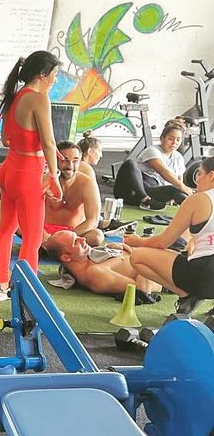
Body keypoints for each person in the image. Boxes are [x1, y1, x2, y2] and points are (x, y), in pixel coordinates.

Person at [0, 50, 62, 301]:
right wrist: (54, 175)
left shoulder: (15, 95)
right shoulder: (40, 99)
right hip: (28, 175)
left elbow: (6, 139)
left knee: (5, 231)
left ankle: (1, 287)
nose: (55, 79)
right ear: (42, 74)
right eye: (54, 74)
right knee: (32, 239)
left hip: (9, 170)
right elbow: (49, 143)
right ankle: (26, 295)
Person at [124, 155, 214, 314]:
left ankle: (186, 295)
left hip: (204, 274)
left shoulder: (198, 199)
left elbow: (163, 242)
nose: (196, 180)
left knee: (137, 256)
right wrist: (193, 241)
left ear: (211, 175)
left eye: (199, 174)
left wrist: (138, 241)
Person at [44, 229, 161, 300]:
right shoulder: (95, 274)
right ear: (66, 257)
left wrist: (112, 248)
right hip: (159, 269)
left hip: (150, 257)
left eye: (78, 236)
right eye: (76, 242)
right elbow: (141, 290)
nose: (83, 239)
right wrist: (142, 254)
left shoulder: (89, 259)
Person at [113, 120, 192, 209]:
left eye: (178, 140)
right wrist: (182, 186)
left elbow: (179, 180)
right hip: (132, 191)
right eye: (170, 138)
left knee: (178, 191)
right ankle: (145, 200)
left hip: (152, 192)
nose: (174, 142)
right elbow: (162, 170)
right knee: (130, 163)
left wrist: (183, 190)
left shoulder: (178, 157)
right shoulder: (152, 150)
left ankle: (194, 210)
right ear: (162, 138)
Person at [43, 141, 104, 247]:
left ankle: (54, 247)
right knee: (17, 225)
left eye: (75, 161)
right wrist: (44, 235)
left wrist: (69, 237)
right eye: (65, 160)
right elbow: (25, 213)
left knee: (97, 236)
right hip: (45, 232)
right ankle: (54, 246)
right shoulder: (44, 180)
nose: (70, 165)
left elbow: (93, 220)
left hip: (75, 232)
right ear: (55, 160)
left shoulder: (87, 183)